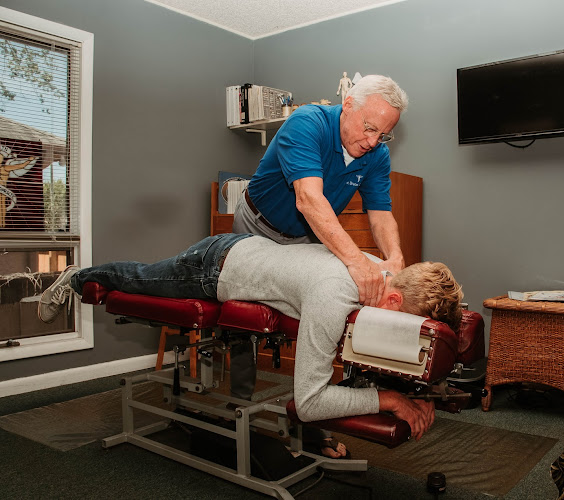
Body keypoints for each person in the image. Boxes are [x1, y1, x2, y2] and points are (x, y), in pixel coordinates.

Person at [38, 233, 463, 449]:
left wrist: (416, 390)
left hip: (252, 252)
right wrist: (390, 400)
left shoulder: (384, 277)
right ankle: (75, 277)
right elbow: (310, 403)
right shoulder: (334, 296)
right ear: (393, 299)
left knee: (143, 275)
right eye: (407, 325)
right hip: (213, 265)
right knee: (139, 277)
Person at [233, 74, 409, 309]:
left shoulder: (378, 155)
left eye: (383, 135)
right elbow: (309, 199)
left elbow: (381, 215)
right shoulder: (307, 122)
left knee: (301, 305)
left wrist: (395, 257)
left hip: (307, 235)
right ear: (348, 105)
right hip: (257, 224)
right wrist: (356, 261)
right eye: (370, 128)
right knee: (247, 306)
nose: (373, 142)